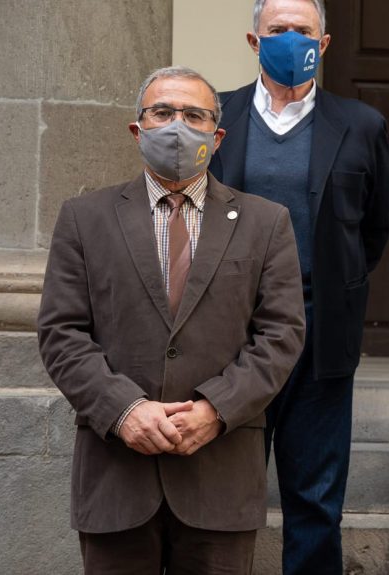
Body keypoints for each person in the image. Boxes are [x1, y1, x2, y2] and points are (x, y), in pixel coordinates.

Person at [37, 66, 306, 574]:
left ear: (216, 134)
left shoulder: (266, 222)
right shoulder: (84, 218)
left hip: (219, 476)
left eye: (193, 115)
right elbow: (61, 333)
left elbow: (281, 334)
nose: (176, 125)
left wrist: (215, 410)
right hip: (116, 478)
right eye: (162, 112)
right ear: (138, 130)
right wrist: (123, 410)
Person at [207, 0, 389, 572]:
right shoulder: (217, 116)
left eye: (303, 30)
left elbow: (375, 227)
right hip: (224, 336)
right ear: (253, 40)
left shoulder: (361, 124)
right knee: (217, 497)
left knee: (314, 501)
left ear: (325, 42)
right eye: (278, 30)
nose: (291, 40)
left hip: (319, 334)